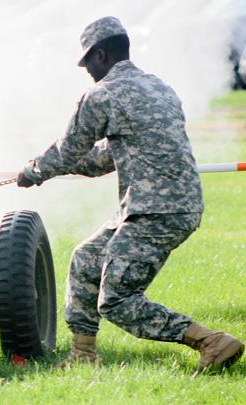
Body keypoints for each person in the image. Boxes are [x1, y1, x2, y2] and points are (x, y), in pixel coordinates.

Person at [17, 16, 244, 370]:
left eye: (88, 62)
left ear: (101, 55)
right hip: (169, 205)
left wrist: (33, 171)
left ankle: (211, 341)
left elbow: (66, 150)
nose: (87, 71)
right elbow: (104, 158)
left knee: (117, 300)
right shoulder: (159, 87)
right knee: (86, 258)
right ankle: (83, 355)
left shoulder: (102, 93)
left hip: (155, 211)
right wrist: (64, 165)